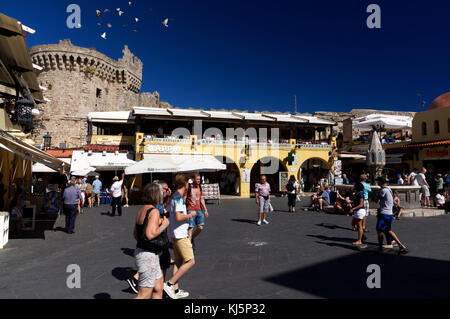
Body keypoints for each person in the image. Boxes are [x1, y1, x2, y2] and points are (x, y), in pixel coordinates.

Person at [133, 183, 169, 299]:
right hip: (148, 256)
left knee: (158, 287)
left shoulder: (142, 210)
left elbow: (135, 234)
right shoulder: (154, 211)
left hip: (144, 252)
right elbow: (150, 234)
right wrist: (164, 225)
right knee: (144, 293)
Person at [164, 175, 196, 299]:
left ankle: (175, 291)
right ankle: (169, 284)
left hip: (175, 233)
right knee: (191, 261)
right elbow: (178, 217)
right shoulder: (177, 197)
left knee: (178, 262)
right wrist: (190, 215)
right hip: (180, 234)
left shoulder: (176, 197)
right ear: (185, 184)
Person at [375, 177, 408, 254]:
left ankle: (380, 248)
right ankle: (401, 245)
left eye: (378, 181)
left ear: (380, 182)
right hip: (389, 213)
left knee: (379, 230)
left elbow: (376, 199)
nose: (377, 183)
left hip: (384, 213)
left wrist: (377, 193)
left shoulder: (383, 190)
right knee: (388, 230)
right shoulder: (389, 189)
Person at [186, 173, 208, 249]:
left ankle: (192, 238)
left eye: (199, 179)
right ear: (193, 179)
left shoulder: (200, 187)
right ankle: (188, 246)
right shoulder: (188, 187)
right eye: (197, 179)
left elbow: (201, 198)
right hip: (190, 209)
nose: (199, 181)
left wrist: (205, 209)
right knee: (190, 228)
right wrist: (187, 205)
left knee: (200, 227)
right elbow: (184, 198)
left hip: (198, 210)